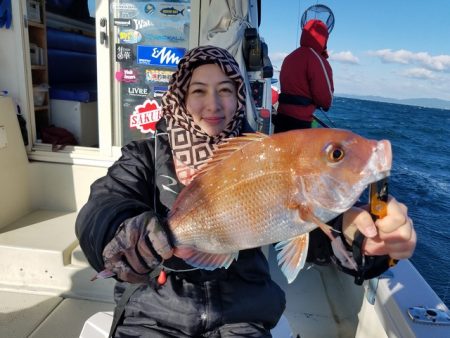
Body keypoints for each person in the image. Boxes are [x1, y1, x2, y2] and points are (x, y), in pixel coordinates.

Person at [75, 45, 416, 338]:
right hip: (151, 315)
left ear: (239, 97)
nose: (213, 104)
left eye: (225, 89)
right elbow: (102, 207)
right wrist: (121, 230)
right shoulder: (145, 156)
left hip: (243, 318)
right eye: (198, 91)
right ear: (180, 96)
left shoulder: (263, 155)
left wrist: (361, 235)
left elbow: (319, 229)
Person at [275, 19, 334, 131]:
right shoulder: (317, 60)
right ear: (324, 39)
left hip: (281, 117)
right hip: (300, 123)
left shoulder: (289, 57)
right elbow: (325, 100)